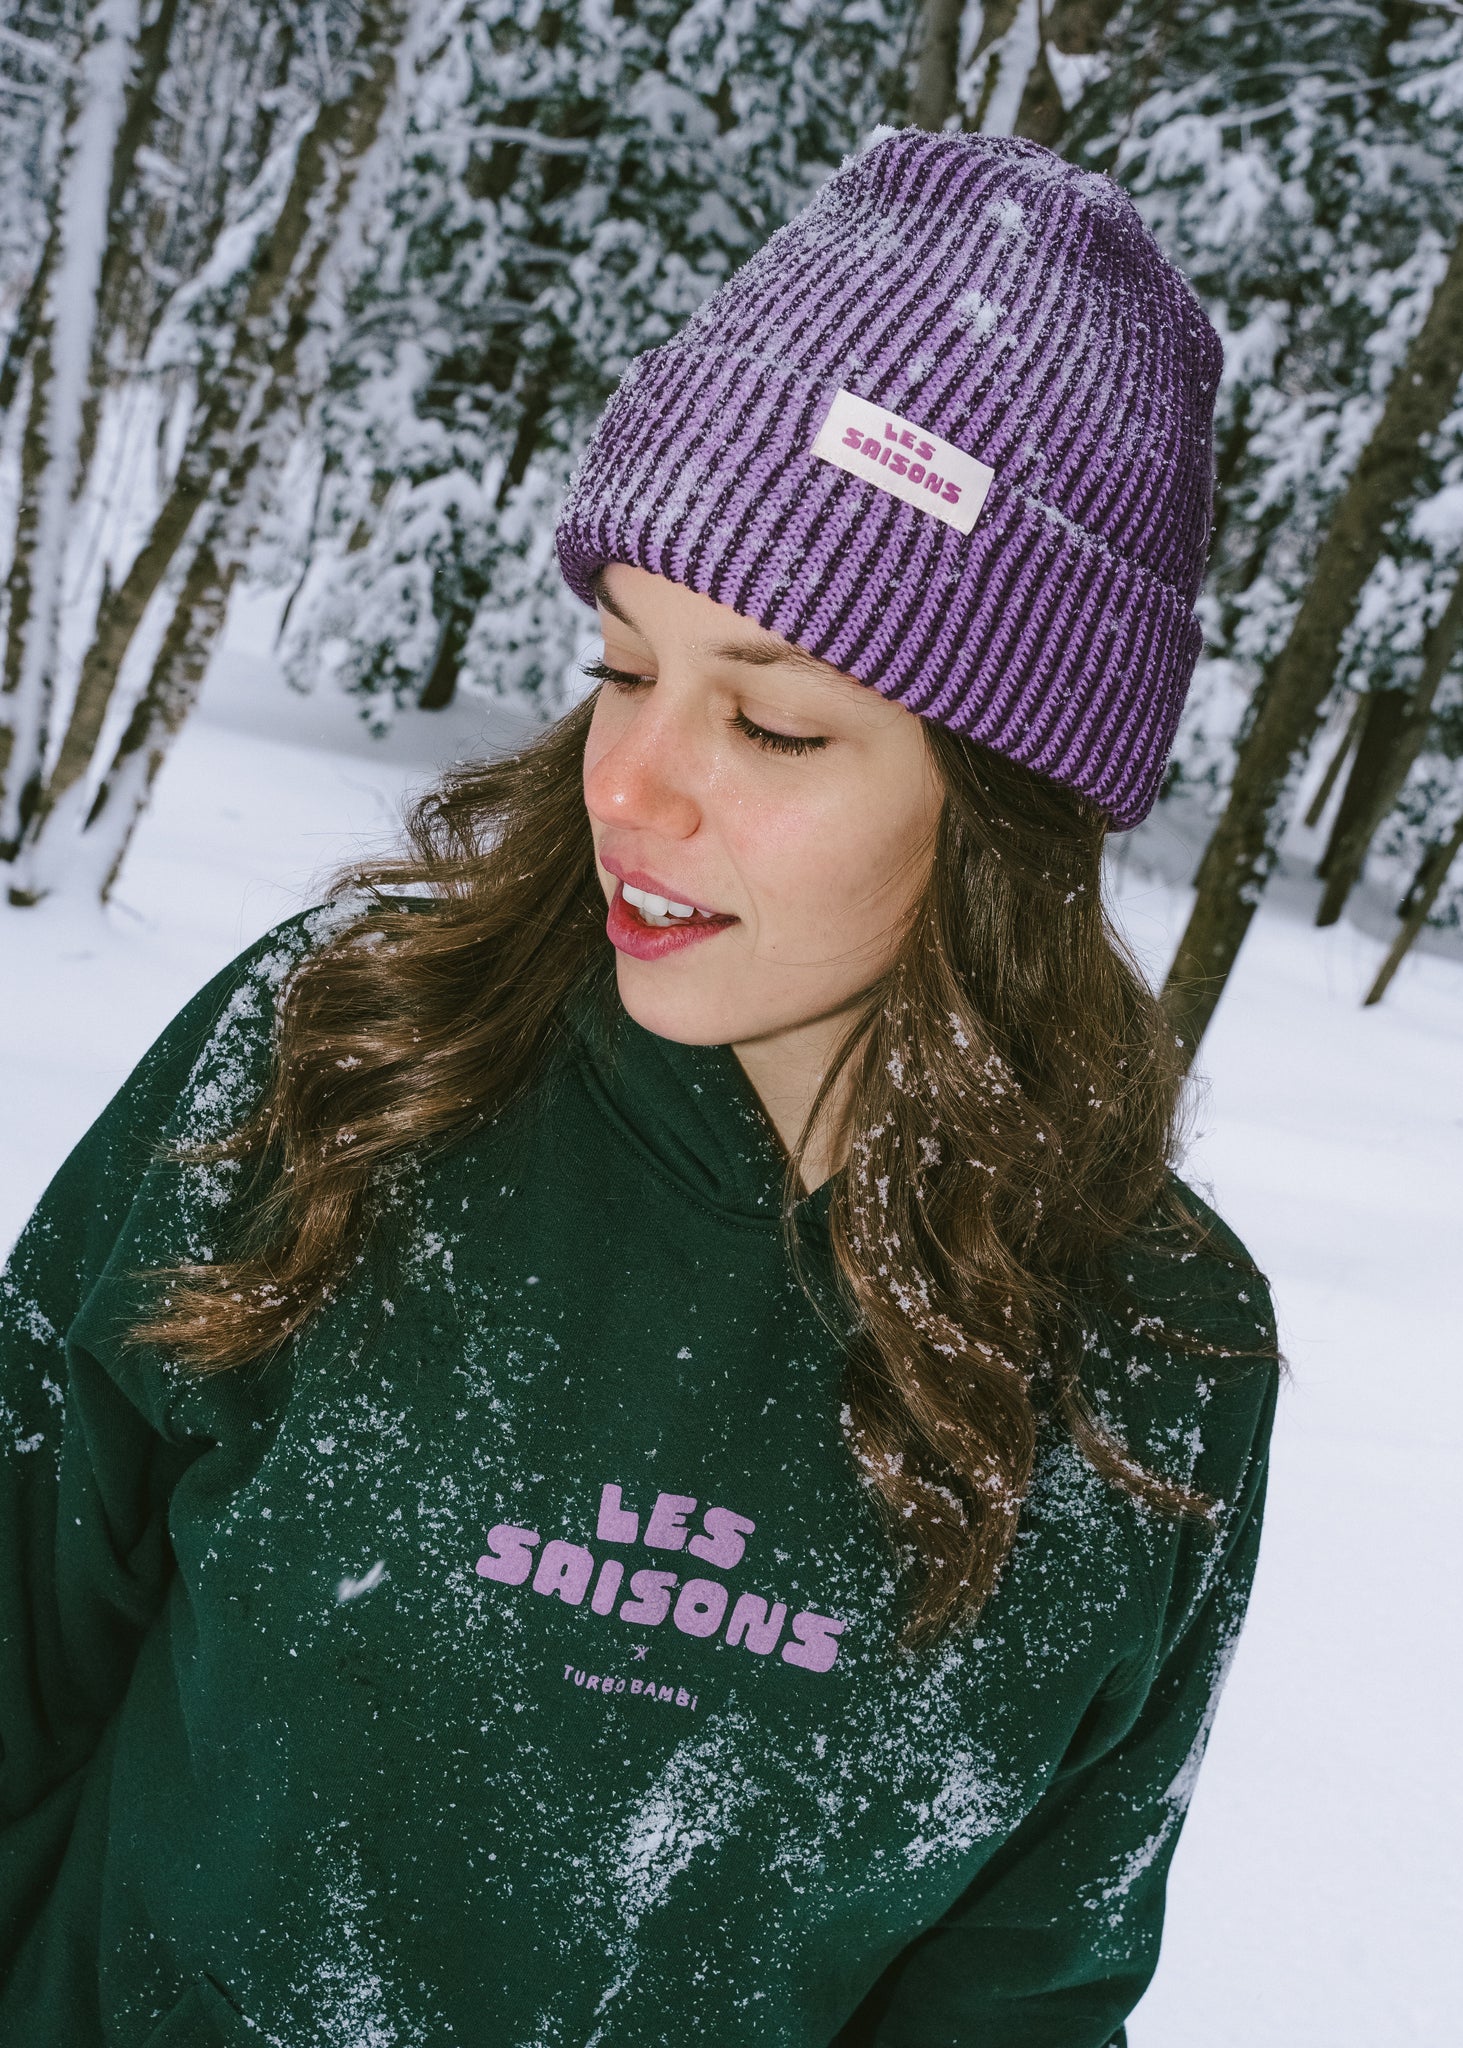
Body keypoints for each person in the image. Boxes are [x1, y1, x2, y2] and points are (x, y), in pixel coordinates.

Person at [0, 129, 1279, 2048]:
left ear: (1006, 813)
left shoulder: (1159, 1360)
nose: (630, 783)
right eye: (621, 664)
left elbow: (1021, 1992)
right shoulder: (346, 1055)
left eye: (771, 721)